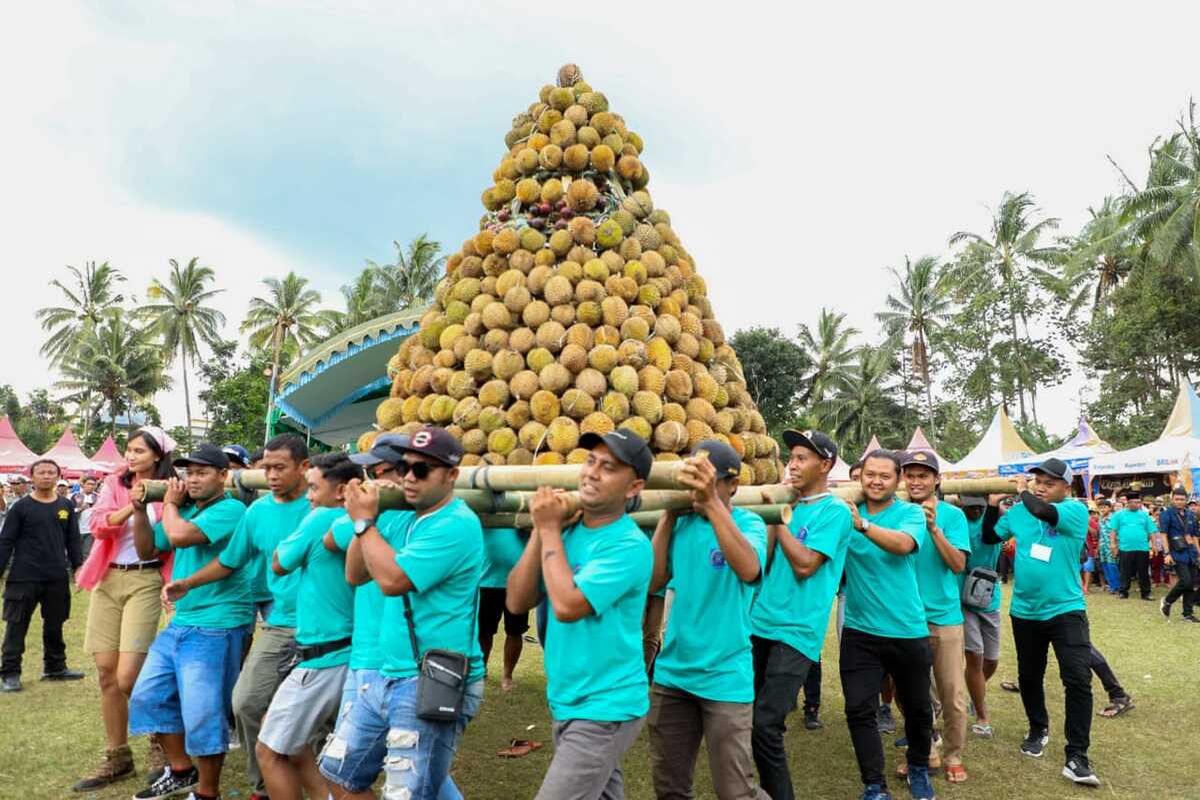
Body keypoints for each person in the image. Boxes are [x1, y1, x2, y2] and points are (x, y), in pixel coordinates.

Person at [319, 426, 484, 800]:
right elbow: (355, 574)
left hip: (430, 678)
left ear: (451, 475)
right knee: (338, 772)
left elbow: (393, 580)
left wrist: (363, 522)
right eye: (405, 467)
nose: (409, 477)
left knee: (409, 794)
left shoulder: (455, 524)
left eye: (422, 470)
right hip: (387, 674)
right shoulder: (399, 515)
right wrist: (370, 522)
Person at [162, 434, 312, 800]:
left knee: (317, 715)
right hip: (281, 622)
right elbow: (230, 561)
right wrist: (188, 582)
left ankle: (317, 783)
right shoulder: (258, 511)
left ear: (304, 468)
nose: (272, 475)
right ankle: (264, 785)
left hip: (333, 628)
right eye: (267, 468)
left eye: (280, 468)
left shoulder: (322, 505)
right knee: (245, 702)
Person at [507, 430, 653, 800]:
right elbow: (517, 601)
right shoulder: (566, 533)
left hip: (605, 707)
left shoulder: (628, 544)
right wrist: (543, 533)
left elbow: (568, 606)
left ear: (633, 487)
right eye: (590, 461)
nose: (592, 473)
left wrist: (551, 529)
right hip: (569, 699)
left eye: (609, 467)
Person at [127, 443, 252, 800]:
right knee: (147, 696)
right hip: (184, 621)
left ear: (223, 476)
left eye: (201, 472)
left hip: (220, 623)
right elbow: (147, 550)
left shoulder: (231, 509)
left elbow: (180, 536)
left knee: (202, 712)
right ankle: (182, 770)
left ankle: (207, 793)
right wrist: (139, 510)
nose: (191, 480)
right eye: (187, 473)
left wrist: (167, 503)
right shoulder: (187, 511)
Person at [647, 440, 768, 800]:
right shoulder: (679, 525)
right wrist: (668, 514)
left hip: (725, 677)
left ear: (733, 485)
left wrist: (712, 505)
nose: (697, 489)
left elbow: (748, 569)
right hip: (673, 675)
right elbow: (653, 582)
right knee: (670, 787)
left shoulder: (750, 523)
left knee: (735, 791)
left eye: (709, 481)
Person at [72, 428, 179, 792]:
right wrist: (130, 506)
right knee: (105, 671)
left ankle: (160, 742)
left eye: (138, 451)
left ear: (157, 455)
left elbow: (171, 538)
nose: (130, 457)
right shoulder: (114, 483)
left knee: (129, 676)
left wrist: (152, 503)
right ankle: (117, 756)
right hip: (109, 579)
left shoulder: (171, 488)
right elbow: (98, 526)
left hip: (147, 580)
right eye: (128, 450)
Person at [982, 458, 1100, 786]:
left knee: (1077, 677)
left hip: (1065, 609)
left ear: (1067, 487)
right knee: (1029, 675)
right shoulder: (1020, 512)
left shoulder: (1074, 511)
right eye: (1037, 481)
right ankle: (1038, 728)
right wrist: (993, 507)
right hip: (1025, 611)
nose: (1041, 486)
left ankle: (1077, 756)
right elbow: (991, 536)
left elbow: (1044, 512)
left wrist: (1022, 493)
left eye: (1049, 483)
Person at [748, 430, 851, 800]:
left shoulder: (835, 511)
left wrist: (778, 516)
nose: (792, 463)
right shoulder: (789, 504)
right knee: (748, 718)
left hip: (797, 631)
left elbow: (806, 564)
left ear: (825, 465)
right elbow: (767, 557)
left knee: (766, 724)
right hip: (760, 622)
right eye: (790, 456)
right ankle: (751, 789)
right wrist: (777, 506)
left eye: (802, 457)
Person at [255, 452, 361, 800]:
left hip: (325, 655)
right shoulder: (352, 521)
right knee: (295, 744)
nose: (309, 496)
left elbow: (280, 563)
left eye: (314, 488)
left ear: (342, 490)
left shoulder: (321, 519)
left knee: (269, 752)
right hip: (339, 650)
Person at [841, 450, 935, 800]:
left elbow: (904, 545)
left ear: (897, 480)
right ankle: (874, 785)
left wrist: (862, 525)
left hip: (907, 630)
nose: (876, 481)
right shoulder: (846, 511)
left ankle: (919, 768)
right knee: (857, 707)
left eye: (884, 475)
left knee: (917, 709)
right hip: (860, 631)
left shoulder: (910, 513)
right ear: (859, 477)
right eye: (869, 474)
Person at [901, 451, 970, 785]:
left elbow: (958, 565)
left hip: (943, 618)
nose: (916, 482)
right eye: (910, 475)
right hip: (902, 619)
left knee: (952, 693)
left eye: (923, 476)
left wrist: (933, 529)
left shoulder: (953, 516)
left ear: (937, 480)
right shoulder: (896, 513)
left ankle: (954, 753)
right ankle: (923, 749)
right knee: (910, 693)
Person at [0, 459, 84, 693]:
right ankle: (10, 673)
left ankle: (55, 667)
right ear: (32, 477)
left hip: (56, 576)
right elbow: (6, 541)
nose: (46, 476)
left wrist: (79, 567)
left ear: (58, 477)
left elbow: (73, 540)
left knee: (55, 624)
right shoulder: (20, 507)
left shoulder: (65, 505)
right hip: (23, 577)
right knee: (16, 626)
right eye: (41, 472)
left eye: (51, 473)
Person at [959, 495, 1001, 741]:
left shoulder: (994, 520)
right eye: (970, 506)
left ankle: (976, 691)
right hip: (962, 597)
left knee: (992, 659)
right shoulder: (957, 519)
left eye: (980, 506)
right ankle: (982, 717)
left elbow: (989, 536)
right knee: (974, 655)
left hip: (988, 597)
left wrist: (994, 506)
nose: (975, 510)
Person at [479, 524, 529, 691]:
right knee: (484, 632)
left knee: (515, 631)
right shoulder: (487, 510)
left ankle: (507, 676)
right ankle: (481, 671)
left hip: (519, 583)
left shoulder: (522, 514)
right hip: (487, 582)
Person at [1158, 488, 1200, 621]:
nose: (1180, 502)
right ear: (1172, 499)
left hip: (1191, 552)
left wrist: (1198, 553)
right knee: (1186, 580)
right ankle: (1167, 601)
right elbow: (1163, 535)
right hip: (1176, 552)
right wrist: (1166, 553)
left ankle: (1187, 614)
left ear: (1186, 500)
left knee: (1192, 583)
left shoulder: (1191, 514)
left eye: (1182, 499)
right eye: (1177, 499)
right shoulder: (1166, 514)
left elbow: (1194, 536)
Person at [1110, 491, 1156, 600]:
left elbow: (1151, 532)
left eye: (1138, 502)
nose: (1136, 504)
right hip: (1125, 548)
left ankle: (1146, 593)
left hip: (1142, 548)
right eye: (1133, 502)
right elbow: (1113, 531)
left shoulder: (1145, 515)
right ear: (1127, 502)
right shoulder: (1119, 515)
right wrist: (1113, 544)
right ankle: (1123, 592)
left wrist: (1153, 545)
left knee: (1143, 572)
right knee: (1124, 571)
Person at [1096, 500, 1119, 593]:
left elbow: (1117, 533)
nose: (1102, 509)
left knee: (1112, 566)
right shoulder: (1100, 519)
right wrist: (1098, 547)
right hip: (1103, 547)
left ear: (1110, 508)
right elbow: (1100, 534)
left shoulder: (1114, 518)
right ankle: (1112, 586)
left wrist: (1116, 546)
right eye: (1100, 507)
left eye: (1104, 507)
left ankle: (1118, 587)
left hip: (1111, 546)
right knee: (1105, 566)